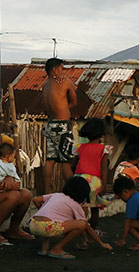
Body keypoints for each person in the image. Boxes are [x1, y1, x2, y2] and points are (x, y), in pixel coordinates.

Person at [30, 176, 112, 259]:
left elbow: (36, 199)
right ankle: (57, 249)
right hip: (47, 227)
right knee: (81, 224)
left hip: (33, 225)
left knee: (49, 221)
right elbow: (85, 226)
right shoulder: (75, 205)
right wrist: (101, 243)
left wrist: (43, 212)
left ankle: (44, 249)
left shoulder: (57, 195)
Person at [41, 58, 77, 194]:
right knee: (65, 161)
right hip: (63, 124)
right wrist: (64, 108)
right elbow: (74, 101)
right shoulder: (65, 82)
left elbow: (46, 107)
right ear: (55, 69)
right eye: (62, 69)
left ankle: (45, 192)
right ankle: (72, 193)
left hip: (50, 125)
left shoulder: (44, 85)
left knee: (50, 160)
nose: (63, 72)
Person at [72, 118, 111, 236]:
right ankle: (92, 232)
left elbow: (73, 165)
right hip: (95, 181)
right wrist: (104, 184)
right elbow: (104, 168)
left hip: (79, 179)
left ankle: (79, 231)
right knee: (94, 209)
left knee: (80, 207)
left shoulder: (79, 147)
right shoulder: (104, 149)